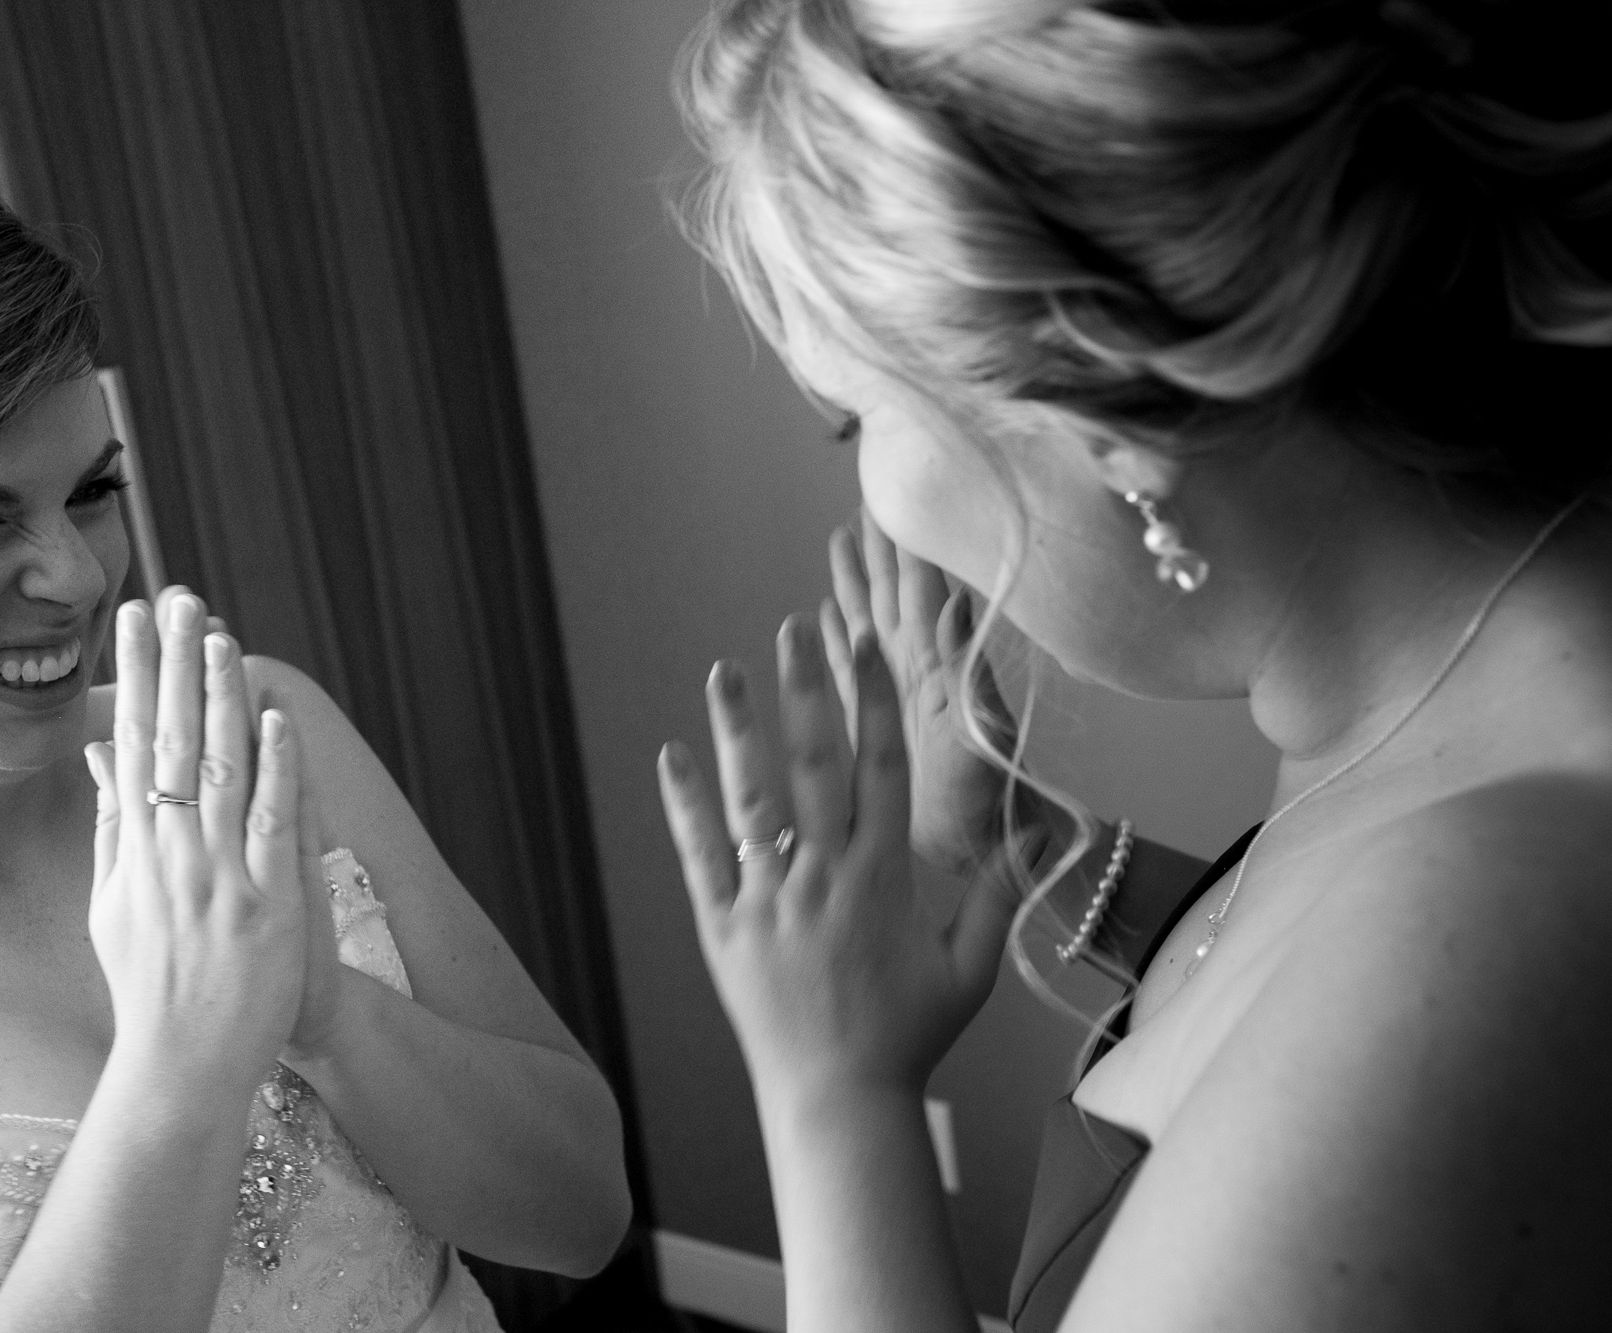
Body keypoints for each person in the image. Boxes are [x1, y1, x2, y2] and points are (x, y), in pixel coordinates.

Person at [656, 2, 1612, 1330]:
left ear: (1107, 413)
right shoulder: (1467, 674)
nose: (879, 503)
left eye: (855, 416)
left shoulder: (1480, 920)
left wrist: (837, 1088)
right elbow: (1281, 997)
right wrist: (1035, 853)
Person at [0, 144, 629, 1333]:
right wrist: (185, 1056)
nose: (74, 573)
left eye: (91, 492)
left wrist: (329, 1017)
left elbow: (581, 1217)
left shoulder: (253, 729)